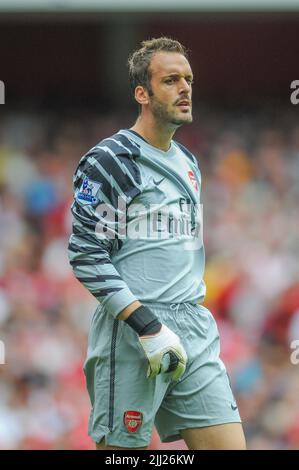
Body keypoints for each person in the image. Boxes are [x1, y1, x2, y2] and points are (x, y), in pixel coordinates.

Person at [68, 37, 246, 450]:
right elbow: (85, 252)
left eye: (188, 79)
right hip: (134, 329)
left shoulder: (188, 161)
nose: (185, 88)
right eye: (170, 80)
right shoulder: (112, 159)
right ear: (141, 93)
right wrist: (146, 326)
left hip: (194, 327)